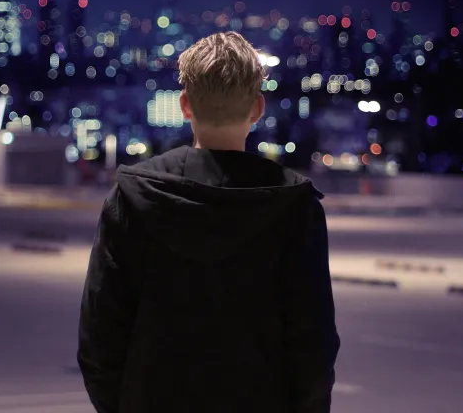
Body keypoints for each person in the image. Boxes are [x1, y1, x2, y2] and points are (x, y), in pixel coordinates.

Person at [78, 31, 340, 413]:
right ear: (257, 108)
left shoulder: (133, 197)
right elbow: (313, 345)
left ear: (185, 105)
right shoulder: (294, 208)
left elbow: (100, 335)